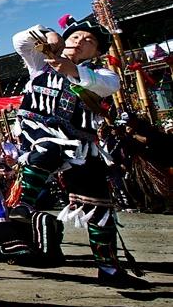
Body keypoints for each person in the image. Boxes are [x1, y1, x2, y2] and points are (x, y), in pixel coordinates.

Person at [11, 18, 148, 288]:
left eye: (89, 41)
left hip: (83, 148)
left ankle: (109, 270)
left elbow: (108, 86)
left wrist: (72, 70)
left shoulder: (103, 75)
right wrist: (48, 33)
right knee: (50, 146)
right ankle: (23, 205)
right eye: (75, 37)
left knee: (101, 210)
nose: (80, 41)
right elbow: (20, 40)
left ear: (96, 53)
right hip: (41, 133)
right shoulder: (39, 63)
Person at [0, 119, 63, 264]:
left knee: (48, 222)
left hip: (14, 219)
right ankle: (8, 251)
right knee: (22, 250)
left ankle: (46, 255)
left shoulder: (6, 167)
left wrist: (15, 168)